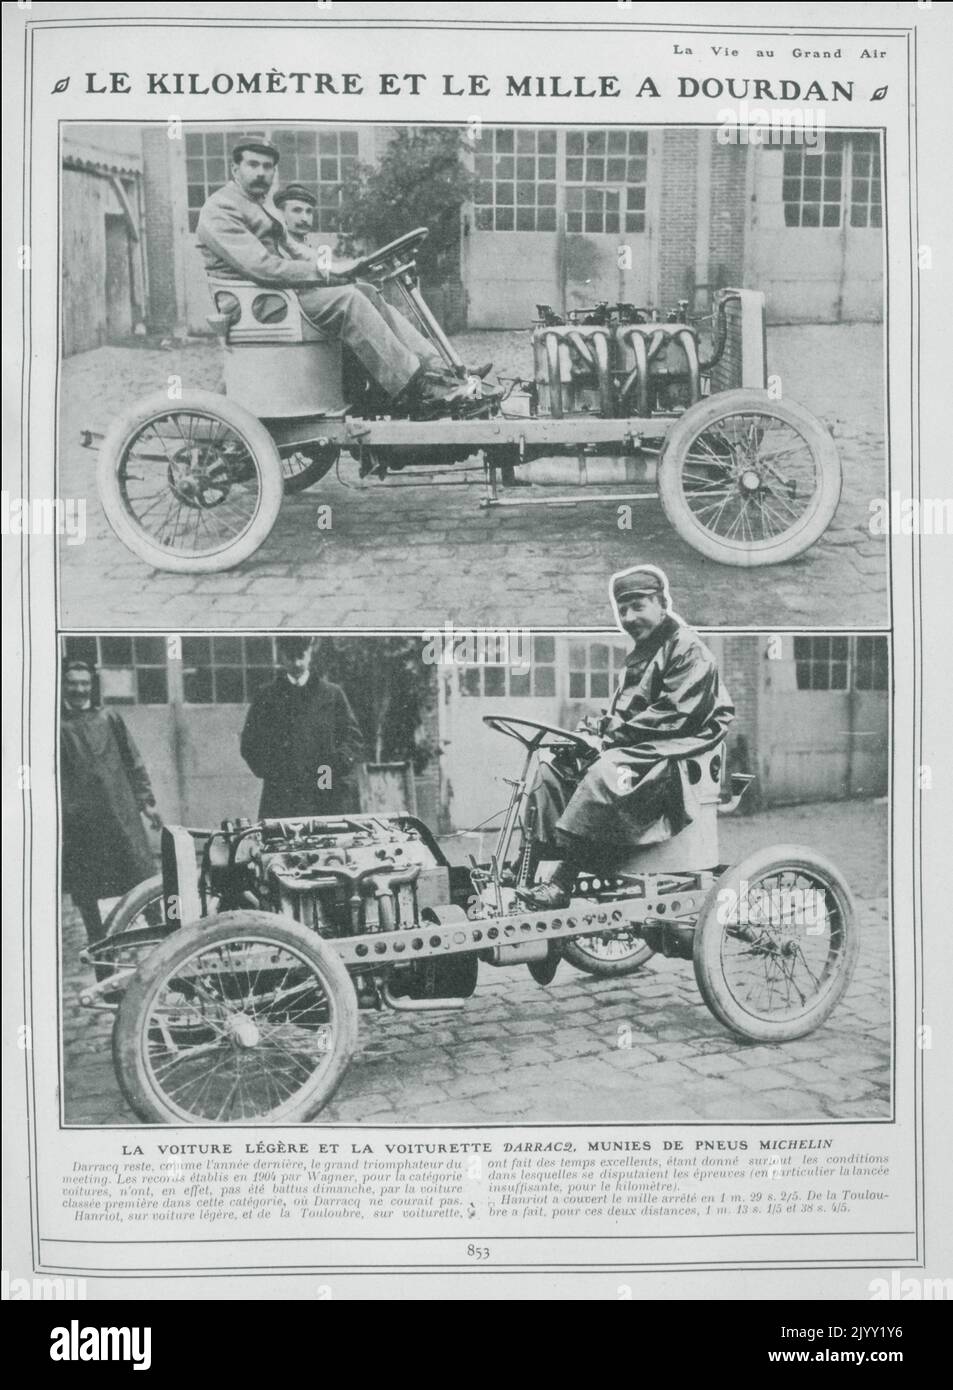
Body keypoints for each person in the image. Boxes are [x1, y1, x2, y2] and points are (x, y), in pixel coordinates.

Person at [197, 141, 498, 417]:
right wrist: (324, 275)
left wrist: (345, 267)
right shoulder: (222, 208)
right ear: (235, 169)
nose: (261, 173)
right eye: (253, 165)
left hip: (275, 298)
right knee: (348, 300)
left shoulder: (258, 205)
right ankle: (412, 387)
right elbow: (262, 268)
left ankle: (438, 370)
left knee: (362, 289)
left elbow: (297, 251)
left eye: (267, 167)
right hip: (258, 307)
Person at [517, 565, 735, 909]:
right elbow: (623, 715)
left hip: (675, 752)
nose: (629, 617)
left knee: (606, 771)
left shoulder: (688, 649)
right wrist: (591, 732)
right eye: (623, 609)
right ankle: (529, 871)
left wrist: (610, 738)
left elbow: (677, 714)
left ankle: (562, 882)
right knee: (551, 770)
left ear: (662, 604)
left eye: (639, 606)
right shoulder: (644, 653)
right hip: (644, 745)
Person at [60, 659, 161, 945]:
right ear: (63, 685)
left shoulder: (109, 717)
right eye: (72, 683)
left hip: (121, 819)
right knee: (92, 910)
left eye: (84, 683)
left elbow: (133, 761)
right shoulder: (56, 726)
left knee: (145, 889)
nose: (79, 689)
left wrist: (147, 803)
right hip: (82, 830)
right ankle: (104, 973)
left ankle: (168, 957)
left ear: (92, 686)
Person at [240, 636, 365, 818]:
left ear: (310, 653)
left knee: (326, 839)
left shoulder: (332, 694)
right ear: (281, 657)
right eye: (291, 657)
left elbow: (354, 740)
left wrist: (333, 766)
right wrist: (274, 772)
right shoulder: (266, 696)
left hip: (325, 787)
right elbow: (250, 744)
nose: (297, 662)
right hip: (282, 795)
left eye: (301, 655)